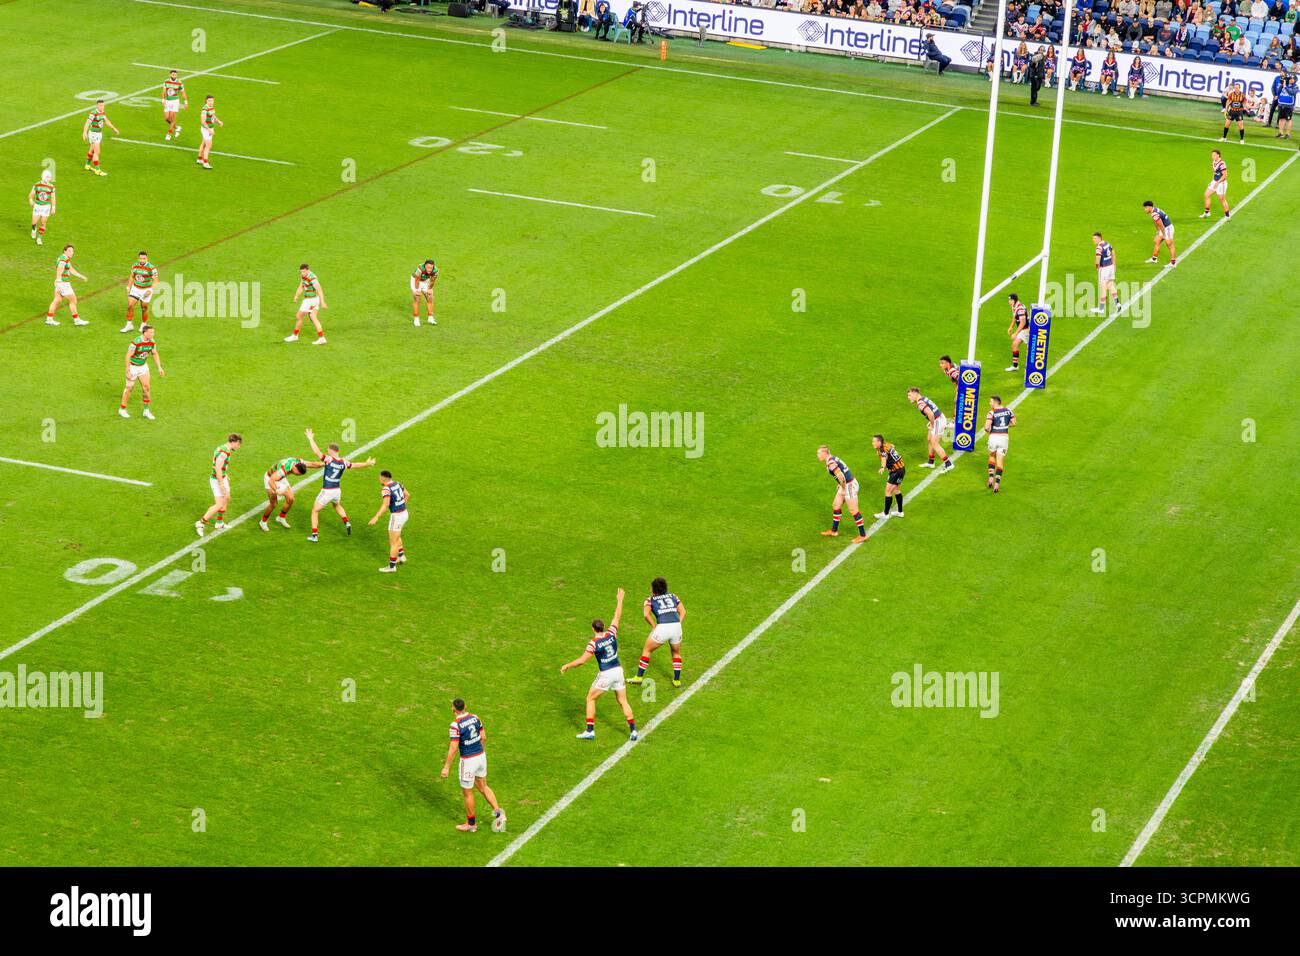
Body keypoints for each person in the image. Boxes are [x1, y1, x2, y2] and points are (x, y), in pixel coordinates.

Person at [560, 589, 638, 741]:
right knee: (623, 701)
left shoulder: (594, 643)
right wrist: (620, 600)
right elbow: (617, 617)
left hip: (606, 674)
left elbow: (582, 661)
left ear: (593, 629)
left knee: (590, 699)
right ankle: (633, 731)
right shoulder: (611, 634)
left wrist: (568, 665)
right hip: (618, 671)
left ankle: (590, 731)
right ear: (602, 627)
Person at [439, 699, 506, 834]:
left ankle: (471, 824)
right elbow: (483, 737)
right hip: (481, 756)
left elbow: (453, 748)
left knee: (468, 793)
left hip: (468, 761)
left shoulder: (455, 725)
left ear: (453, 709)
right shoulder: (475, 718)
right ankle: (499, 813)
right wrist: (480, 751)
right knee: (483, 786)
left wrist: (446, 767)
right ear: (465, 707)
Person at [304, 428, 375, 541]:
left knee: (315, 510)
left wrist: (311, 439)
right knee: (336, 505)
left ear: (331, 450)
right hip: (337, 491)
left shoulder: (328, 459)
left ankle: (314, 535)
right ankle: (346, 522)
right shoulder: (344, 462)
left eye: (328, 450)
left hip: (327, 490)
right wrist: (367, 463)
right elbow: (355, 465)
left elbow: (317, 452)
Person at [629, 577, 685, 688]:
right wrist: (679, 624)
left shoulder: (649, 600)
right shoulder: (673, 596)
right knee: (676, 653)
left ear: (654, 589)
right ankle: (677, 680)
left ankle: (639, 677)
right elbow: (683, 611)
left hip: (662, 628)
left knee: (647, 650)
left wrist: (654, 626)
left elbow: (646, 614)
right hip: (676, 627)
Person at [816, 446, 869, 542]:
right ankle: (834, 531)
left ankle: (863, 535)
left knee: (853, 510)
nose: (818, 456)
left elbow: (841, 476)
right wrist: (840, 485)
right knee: (836, 505)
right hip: (845, 484)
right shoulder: (833, 458)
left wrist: (843, 488)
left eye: (819, 453)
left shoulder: (831, 463)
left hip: (849, 485)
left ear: (824, 453)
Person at [259, 455, 322, 531]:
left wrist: (326, 463)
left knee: (291, 499)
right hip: (270, 479)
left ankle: (281, 518)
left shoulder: (298, 462)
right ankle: (263, 522)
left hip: (280, 478)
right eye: (298, 473)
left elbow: (312, 464)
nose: (298, 475)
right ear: (295, 467)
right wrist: (276, 490)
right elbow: (271, 481)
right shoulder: (284, 469)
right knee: (274, 504)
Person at [197, 434, 242, 536]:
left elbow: (220, 467)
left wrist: (225, 476)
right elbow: (217, 468)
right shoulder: (224, 452)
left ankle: (219, 523)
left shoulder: (224, 448)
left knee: (226, 498)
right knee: (219, 504)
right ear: (234, 442)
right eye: (238, 444)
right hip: (217, 480)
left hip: (222, 478)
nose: (238, 447)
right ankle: (201, 523)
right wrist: (221, 483)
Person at [118, 325, 164, 420]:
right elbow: (128, 355)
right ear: (145, 332)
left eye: (153, 332)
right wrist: (127, 369)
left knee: (146, 387)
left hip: (143, 367)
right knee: (129, 388)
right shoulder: (136, 342)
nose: (153, 334)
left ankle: (146, 411)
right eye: (151, 332)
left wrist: (159, 367)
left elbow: (155, 353)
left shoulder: (152, 342)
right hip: (133, 367)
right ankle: (122, 409)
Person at [368, 470, 410, 572]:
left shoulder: (386, 489)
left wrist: (376, 517)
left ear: (383, 478)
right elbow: (408, 495)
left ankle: (392, 567)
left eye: (379, 477)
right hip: (405, 513)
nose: (379, 479)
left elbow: (385, 505)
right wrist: (401, 505)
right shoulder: (398, 483)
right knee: (397, 535)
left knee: (393, 542)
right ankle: (401, 556)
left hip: (396, 516)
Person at [908, 388, 953, 471]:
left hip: (937, 421)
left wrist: (932, 425)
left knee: (935, 443)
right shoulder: (923, 398)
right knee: (929, 439)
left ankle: (948, 464)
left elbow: (931, 414)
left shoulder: (920, 403)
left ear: (915, 394)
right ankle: (931, 462)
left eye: (910, 395)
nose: (908, 397)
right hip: (939, 418)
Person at [45, 244, 89, 327]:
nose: (71, 252)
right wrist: (58, 279)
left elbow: (71, 269)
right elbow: (59, 269)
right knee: (73, 301)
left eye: (72, 251)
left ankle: (49, 319)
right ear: (64, 251)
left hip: (59, 283)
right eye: (69, 251)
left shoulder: (65, 258)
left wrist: (81, 276)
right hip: (63, 284)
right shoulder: (63, 260)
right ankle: (77, 320)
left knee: (57, 300)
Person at [286, 263, 327, 344]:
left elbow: (320, 290)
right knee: (313, 317)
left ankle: (295, 336)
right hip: (311, 300)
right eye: (301, 272)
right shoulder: (304, 276)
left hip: (310, 300)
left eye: (304, 272)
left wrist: (322, 302)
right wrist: (296, 295)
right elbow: (301, 286)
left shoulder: (312, 278)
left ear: (308, 270)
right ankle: (322, 338)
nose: (302, 273)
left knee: (298, 316)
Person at [121, 251, 158, 334]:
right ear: (138, 258)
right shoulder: (135, 265)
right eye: (140, 258)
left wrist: (150, 290)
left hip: (146, 290)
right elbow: (131, 276)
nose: (142, 260)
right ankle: (129, 325)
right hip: (136, 288)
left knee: (144, 308)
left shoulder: (151, 268)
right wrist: (128, 287)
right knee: (130, 306)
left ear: (147, 259)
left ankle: (144, 324)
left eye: (144, 258)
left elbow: (155, 280)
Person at [985, 397, 1017, 493]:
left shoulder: (991, 412)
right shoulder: (1008, 410)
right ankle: (996, 485)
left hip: (993, 437)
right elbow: (1014, 423)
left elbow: (986, 427)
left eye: (990, 401)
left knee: (991, 455)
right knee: (1000, 461)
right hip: (1004, 438)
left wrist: (991, 431)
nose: (989, 403)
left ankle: (991, 478)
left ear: (995, 402)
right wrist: (1005, 426)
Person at [81, 100, 119, 176]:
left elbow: (106, 121)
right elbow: (87, 122)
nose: (102, 107)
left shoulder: (103, 112)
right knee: (97, 152)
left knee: (92, 149)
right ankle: (97, 170)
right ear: (97, 106)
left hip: (98, 133)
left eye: (103, 105)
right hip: (94, 134)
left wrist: (113, 128)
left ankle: (87, 165)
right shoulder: (93, 113)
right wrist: (84, 132)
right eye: (100, 105)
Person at [872, 434, 906, 519]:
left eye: (874, 441)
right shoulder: (887, 444)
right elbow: (892, 446)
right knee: (896, 490)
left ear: (879, 442)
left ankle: (885, 514)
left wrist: (882, 467)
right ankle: (900, 512)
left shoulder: (882, 450)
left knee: (888, 491)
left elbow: (883, 458)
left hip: (896, 471)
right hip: (901, 469)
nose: (872, 443)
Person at [1092, 231, 1119, 316]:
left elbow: (1097, 259)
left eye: (1095, 238)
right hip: (1111, 267)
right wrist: (1114, 264)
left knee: (1103, 288)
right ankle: (1118, 304)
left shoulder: (1099, 248)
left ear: (1099, 238)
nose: (1093, 240)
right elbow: (1113, 252)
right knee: (1110, 285)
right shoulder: (1107, 243)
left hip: (1104, 269)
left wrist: (1097, 267)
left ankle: (1101, 309)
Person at [1142, 201, 1177, 265]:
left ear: (1149, 207)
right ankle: (1154, 259)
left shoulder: (1154, 214)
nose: (1145, 210)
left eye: (1145, 208)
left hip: (1168, 228)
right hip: (1163, 228)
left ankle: (1173, 263)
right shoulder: (1154, 210)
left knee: (1169, 244)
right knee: (1156, 241)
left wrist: (1164, 234)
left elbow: (1161, 225)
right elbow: (1156, 222)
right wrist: (1158, 231)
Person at [1200, 149, 1231, 218]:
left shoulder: (1222, 164)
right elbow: (1216, 173)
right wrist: (1214, 181)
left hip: (1221, 184)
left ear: (1218, 155)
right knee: (1206, 195)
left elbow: (1225, 175)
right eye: (1212, 155)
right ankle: (1207, 213)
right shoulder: (1214, 161)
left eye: (1214, 155)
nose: (1212, 156)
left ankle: (1227, 216)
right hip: (1215, 182)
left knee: (1222, 200)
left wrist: (1217, 182)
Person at [28, 169, 55, 246]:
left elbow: (53, 198)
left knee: (43, 222)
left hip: (46, 207)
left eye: (49, 177)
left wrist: (53, 207)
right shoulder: (36, 185)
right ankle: (33, 229)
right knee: (34, 222)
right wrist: (30, 200)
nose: (48, 179)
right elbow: (31, 195)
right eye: (47, 177)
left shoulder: (51, 187)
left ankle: (39, 238)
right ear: (43, 177)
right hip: (37, 206)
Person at [196, 95, 223, 169]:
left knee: (204, 144)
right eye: (209, 101)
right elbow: (203, 122)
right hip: (206, 129)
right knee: (208, 146)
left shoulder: (211, 108)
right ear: (206, 101)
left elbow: (213, 116)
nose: (211, 102)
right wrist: (209, 130)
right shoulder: (204, 110)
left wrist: (218, 121)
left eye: (212, 101)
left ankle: (199, 158)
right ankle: (205, 163)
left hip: (209, 128)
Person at [410, 258, 438, 327]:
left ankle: (430, 318)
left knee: (430, 297)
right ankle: (416, 319)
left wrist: (429, 289)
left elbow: (432, 281)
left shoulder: (436, 271)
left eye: (431, 268)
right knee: (417, 298)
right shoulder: (420, 269)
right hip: (416, 281)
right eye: (428, 267)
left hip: (425, 281)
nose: (429, 269)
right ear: (425, 266)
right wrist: (416, 290)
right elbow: (417, 279)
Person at [1006, 293, 1029, 372]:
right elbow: (1015, 317)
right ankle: (1015, 366)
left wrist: (1015, 333)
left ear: (1014, 300)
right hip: (1023, 329)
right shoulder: (1014, 306)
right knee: (1015, 345)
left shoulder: (1020, 309)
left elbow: (1023, 322)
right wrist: (1011, 327)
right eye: (1009, 300)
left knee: (1030, 348)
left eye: (1011, 300)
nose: (1009, 302)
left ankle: (1030, 366)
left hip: (1026, 330)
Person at [162, 69, 187, 141]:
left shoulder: (179, 83)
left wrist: (185, 102)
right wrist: (163, 100)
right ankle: (177, 128)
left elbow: (183, 92)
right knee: (167, 118)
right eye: (173, 74)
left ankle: (169, 134)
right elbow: (164, 91)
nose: (174, 75)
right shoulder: (166, 81)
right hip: (168, 101)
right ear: (170, 75)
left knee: (172, 118)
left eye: (175, 74)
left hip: (175, 101)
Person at [1277, 74, 1296, 140]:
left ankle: (1287, 134)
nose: (1291, 80)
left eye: (1292, 79)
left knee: (1288, 119)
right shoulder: (1284, 85)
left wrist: (1285, 87)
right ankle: (1280, 133)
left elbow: (1292, 93)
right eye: (1290, 79)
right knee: (1281, 119)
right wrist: (1282, 84)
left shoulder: (1295, 86)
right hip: (1281, 104)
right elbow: (1278, 92)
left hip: (1289, 106)